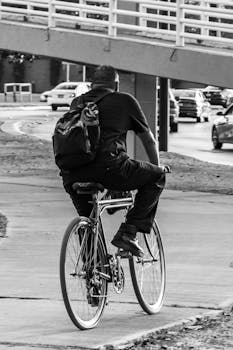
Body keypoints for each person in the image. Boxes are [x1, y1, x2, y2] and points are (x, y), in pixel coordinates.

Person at [61, 65, 168, 257]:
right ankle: (128, 233)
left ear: (92, 85)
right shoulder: (125, 101)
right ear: (116, 85)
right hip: (111, 169)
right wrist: (156, 166)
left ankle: (92, 272)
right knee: (156, 176)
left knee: (87, 219)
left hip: (72, 173)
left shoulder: (77, 102)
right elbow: (149, 140)